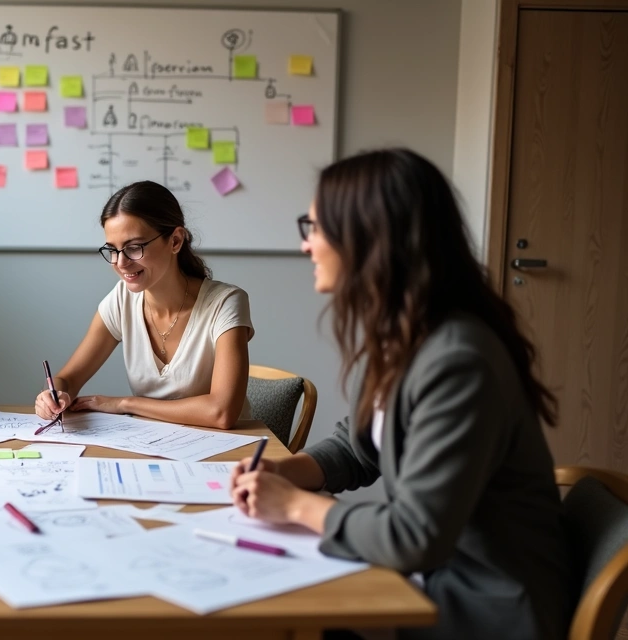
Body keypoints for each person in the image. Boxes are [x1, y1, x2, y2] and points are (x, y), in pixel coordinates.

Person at [230, 148, 572, 640]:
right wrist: (289, 470)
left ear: (371, 239)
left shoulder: (458, 360)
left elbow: (415, 537)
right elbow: (358, 444)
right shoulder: (406, 333)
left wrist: (295, 507)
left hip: (486, 607)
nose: (307, 246)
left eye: (316, 228)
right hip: (437, 578)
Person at [35, 180, 254, 429]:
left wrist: (126, 404)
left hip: (229, 454)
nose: (120, 262)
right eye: (113, 250)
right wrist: (53, 396)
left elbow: (221, 413)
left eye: (134, 247)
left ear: (175, 241)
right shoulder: (121, 300)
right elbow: (68, 378)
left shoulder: (225, 303)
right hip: (156, 447)